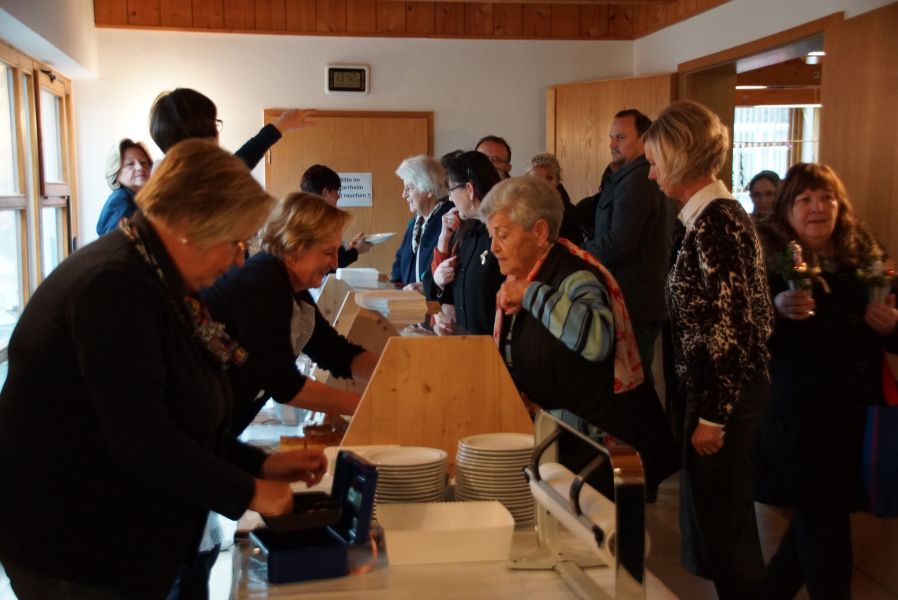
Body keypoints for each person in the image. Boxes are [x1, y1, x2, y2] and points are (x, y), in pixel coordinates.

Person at [0, 140, 326, 600]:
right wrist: (249, 491)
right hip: (79, 550)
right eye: (234, 241)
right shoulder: (114, 285)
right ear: (190, 224)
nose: (239, 259)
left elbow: (180, 416)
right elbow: (142, 438)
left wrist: (261, 464)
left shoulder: (152, 273)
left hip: (117, 538)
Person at [643, 100, 774, 599]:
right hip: (717, 391)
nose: (651, 174)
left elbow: (733, 326)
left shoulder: (718, 220)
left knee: (728, 534)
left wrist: (714, 416)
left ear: (679, 156)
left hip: (728, 397)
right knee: (718, 532)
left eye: (655, 161)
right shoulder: (703, 217)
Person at [754, 163, 898, 599]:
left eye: (826, 198)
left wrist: (893, 326)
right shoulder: (770, 264)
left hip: (857, 421)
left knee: (814, 528)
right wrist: (776, 311)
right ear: (786, 211)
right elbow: (747, 335)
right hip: (802, 424)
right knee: (826, 535)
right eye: (804, 200)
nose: (817, 208)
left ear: (840, 205)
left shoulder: (869, 260)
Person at [482, 176, 678, 491]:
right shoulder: (523, 278)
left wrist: (532, 293)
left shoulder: (575, 276)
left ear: (540, 232)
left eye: (502, 235)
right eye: (491, 235)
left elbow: (597, 341)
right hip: (564, 444)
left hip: (602, 453)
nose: (493, 247)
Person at [201, 192, 380, 434]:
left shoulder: (289, 287)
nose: (336, 263)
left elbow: (333, 351)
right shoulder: (261, 283)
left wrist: (393, 375)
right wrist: (371, 406)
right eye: (328, 252)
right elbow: (284, 384)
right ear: (293, 249)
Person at [582, 109, 677, 392]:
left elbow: (619, 243)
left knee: (633, 384)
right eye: (611, 137)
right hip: (635, 299)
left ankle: (644, 424)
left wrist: (578, 253)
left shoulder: (638, 181)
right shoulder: (628, 178)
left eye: (621, 137)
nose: (612, 144)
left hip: (634, 301)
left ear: (644, 139)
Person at [425, 151, 503, 335]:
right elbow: (433, 290)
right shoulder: (465, 233)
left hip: (494, 348)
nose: (450, 198)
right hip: (463, 345)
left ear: (469, 189)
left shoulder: (503, 236)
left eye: (451, 190)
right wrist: (438, 314)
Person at [149, 88, 315, 170]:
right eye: (214, 123)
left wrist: (281, 125)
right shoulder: (197, 186)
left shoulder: (162, 180)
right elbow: (237, 166)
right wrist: (281, 125)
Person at [390, 155, 451, 292]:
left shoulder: (448, 219)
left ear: (429, 189)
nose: (404, 194)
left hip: (435, 302)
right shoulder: (415, 223)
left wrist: (426, 288)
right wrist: (396, 289)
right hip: (410, 301)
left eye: (409, 188)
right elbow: (399, 262)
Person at [299, 164, 372, 268]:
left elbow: (331, 254)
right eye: (337, 191)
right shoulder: (315, 222)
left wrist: (350, 246)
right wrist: (356, 251)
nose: (339, 196)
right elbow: (329, 264)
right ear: (326, 193)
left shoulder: (304, 217)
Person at [96, 138, 153, 235]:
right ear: (116, 172)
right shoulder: (119, 201)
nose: (140, 167)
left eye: (144, 162)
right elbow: (119, 243)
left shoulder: (139, 199)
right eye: (130, 164)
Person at [525, 151, 583, 242]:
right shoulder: (519, 211)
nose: (544, 184)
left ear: (557, 181)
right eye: (536, 179)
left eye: (549, 178)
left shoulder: (570, 213)